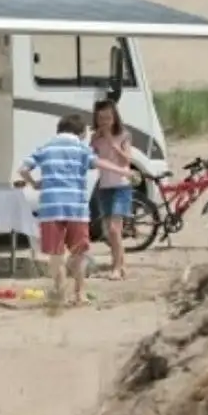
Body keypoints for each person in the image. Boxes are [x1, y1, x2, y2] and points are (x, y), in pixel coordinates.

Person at [16, 113, 130, 306]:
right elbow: (99, 163)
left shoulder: (46, 147)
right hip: (76, 209)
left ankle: (60, 293)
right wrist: (123, 171)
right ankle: (79, 294)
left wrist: (34, 184)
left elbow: (22, 169)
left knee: (56, 255)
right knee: (79, 253)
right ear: (81, 132)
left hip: (51, 209)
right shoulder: (81, 148)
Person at [90, 99, 133, 281]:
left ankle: (116, 267)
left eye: (108, 118)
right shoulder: (96, 138)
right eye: (100, 118)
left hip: (121, 186)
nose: (104, 122)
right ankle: (121, 265)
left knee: (115, 230)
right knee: (110, 232)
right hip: (104, 187)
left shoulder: (123, 135)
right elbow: (91, 161)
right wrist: (94, 142)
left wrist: (113, 144)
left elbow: (127, 161)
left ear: (115, 117)